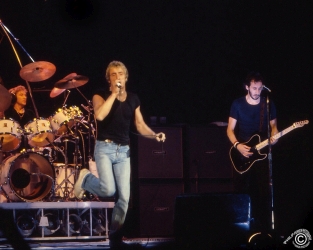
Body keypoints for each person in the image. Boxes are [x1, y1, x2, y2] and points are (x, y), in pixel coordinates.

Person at [74, 61, 166, 249]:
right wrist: (114, 95)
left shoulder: (133, 99)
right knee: (108, 191)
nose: (118, 77)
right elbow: (99, 115)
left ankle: (115, 238)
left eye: (120, 74)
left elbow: (139, 125)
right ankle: (85, 179)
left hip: (124, 151)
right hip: (104, 148)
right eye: (113, 74)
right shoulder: (100, 94)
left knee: (124, 198)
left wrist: (154, 135)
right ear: (109, 79)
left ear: (126, 77)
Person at [226, 71, 279, 233]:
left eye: (260, 88)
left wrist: (275, 135)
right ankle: (239, 229)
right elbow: (229, 129)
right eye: (254, 88)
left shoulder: (268, 104)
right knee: (240, 190)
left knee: (263, 192)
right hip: (242, 152)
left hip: (261, 154)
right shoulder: (238, 104)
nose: (257, 92)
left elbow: (274, 126)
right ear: (247, 87)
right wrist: (237, 145)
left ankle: (262, 231)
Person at [4, 85, 36, 152]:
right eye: (21, 95)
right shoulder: (7, 113)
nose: (24, 97)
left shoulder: (30, 113)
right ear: (14, 97)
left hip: (28, 147)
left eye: (25, 95)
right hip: (11, 146)